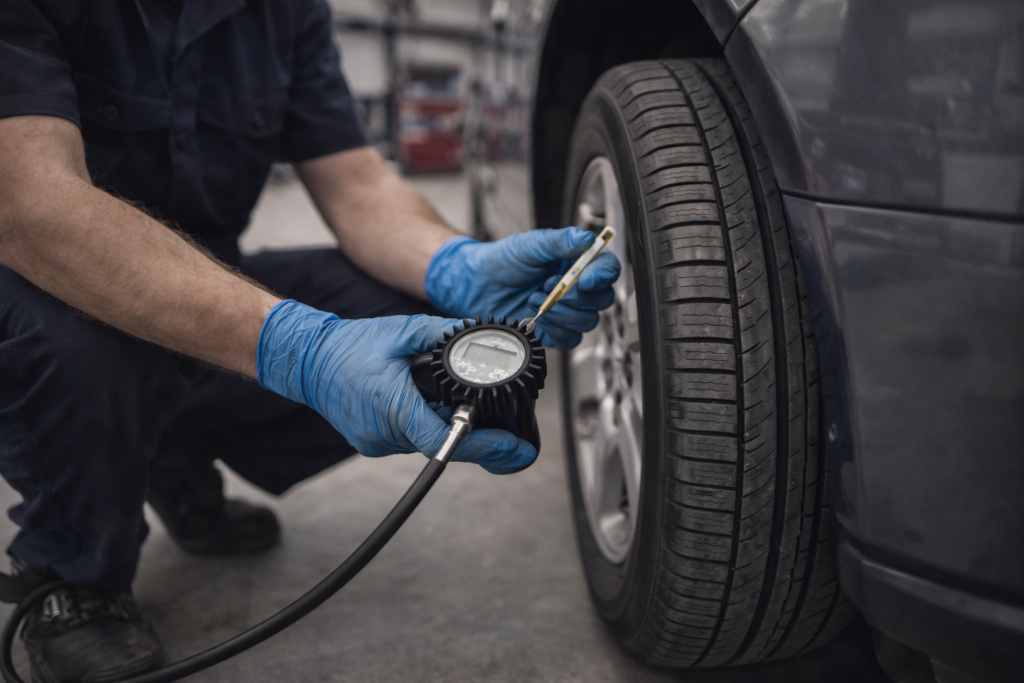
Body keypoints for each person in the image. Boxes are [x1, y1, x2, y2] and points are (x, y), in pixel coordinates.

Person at [0, 1, 620, 680]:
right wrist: (300, 348)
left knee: (419, 311)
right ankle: (73, 574)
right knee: (76, 338)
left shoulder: (284, 12)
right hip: (42, 282)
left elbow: (356, 184)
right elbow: (29, 203)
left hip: (202, 285)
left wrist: (455, 267)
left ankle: (167, 450)